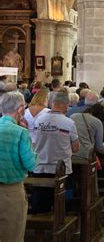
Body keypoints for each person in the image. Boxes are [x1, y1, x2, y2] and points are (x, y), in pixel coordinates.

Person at [32, 92, 80, 213]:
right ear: (66, 104)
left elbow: (33, 143)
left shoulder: (38, 120)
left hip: (40, 166)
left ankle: (40, 228)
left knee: (41, 204)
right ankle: (63, 225)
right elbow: (76, 148)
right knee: (63, 205)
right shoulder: (68, 123)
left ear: (52, 103)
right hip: (61, 169)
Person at [0, 92, 37, 242]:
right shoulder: (20, 133)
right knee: (12, 236)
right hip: (10, 191)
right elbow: (32, 164)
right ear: (21, 110)